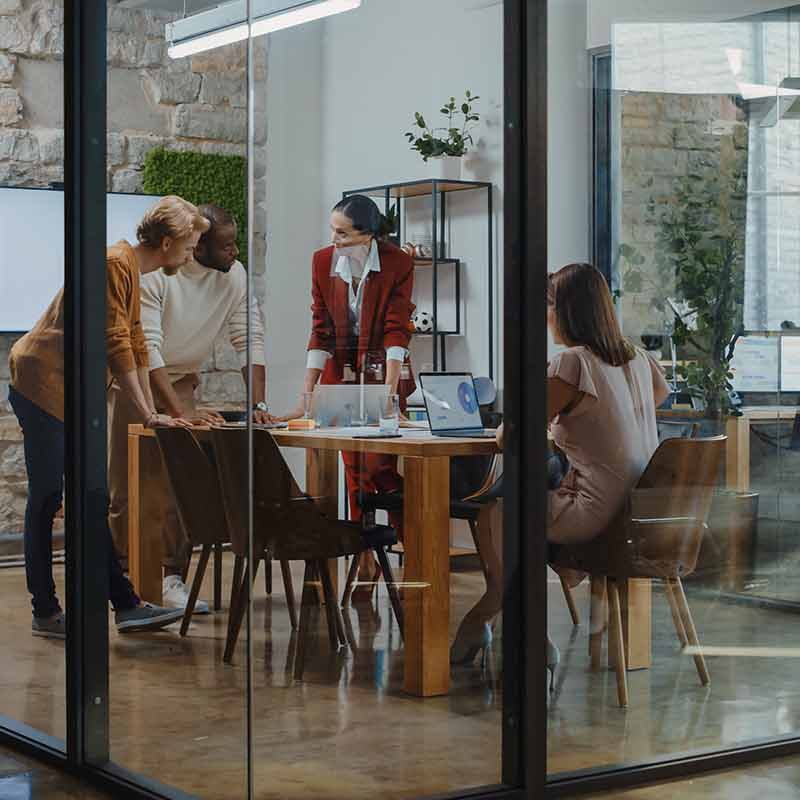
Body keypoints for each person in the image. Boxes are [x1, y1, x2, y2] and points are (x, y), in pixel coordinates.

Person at [450, 263, 670, 679]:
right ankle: (501, 621)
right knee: (531, 497)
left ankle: (498, 618)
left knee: (497, 513)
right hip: (637, 512)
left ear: (565, 310)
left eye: (548, 305)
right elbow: (659, 394)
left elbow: (509, 437)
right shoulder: (638, 358)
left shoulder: (573, 363)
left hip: (598, 514)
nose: (544, 315)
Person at [8, 195, 208, 639]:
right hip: (42, 383)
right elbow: (116, 342)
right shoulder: (115, 263)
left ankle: (126, 605)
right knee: (48, 496)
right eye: (189, 247)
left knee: (90, 497)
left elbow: (135, 341)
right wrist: (149, 414)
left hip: (70, 390)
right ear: (166, 241)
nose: (191, 256)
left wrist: (154, 412)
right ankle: (46, 611)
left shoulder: (131, 269)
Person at [107, 203, 272, 610]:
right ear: (197, 247)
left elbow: (249, 337)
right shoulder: (157, 275)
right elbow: (146, 349)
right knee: (130, 485)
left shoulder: (234, 275)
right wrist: (176, 412)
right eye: (227, 245)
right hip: (140, 378)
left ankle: (169, 576)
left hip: (181, 380)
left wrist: (257, 403)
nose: (235, 252)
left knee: (180, 484)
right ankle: (125, 580)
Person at [282, 195, 415, 598]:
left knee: (379, 468)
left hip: (383, 373)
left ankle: (411, 548)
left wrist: (388, 394)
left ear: (367, 235)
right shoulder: (323, 261)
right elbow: (320, 329)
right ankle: (366, 557)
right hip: (340, 378)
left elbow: (397, 328)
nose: (334, 240)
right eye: (332, 231)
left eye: (342, 233)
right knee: (354, 467)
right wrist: (306, 393)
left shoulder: (397, 263)